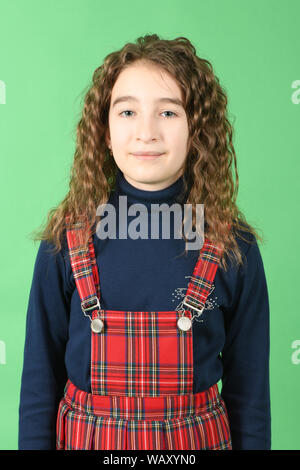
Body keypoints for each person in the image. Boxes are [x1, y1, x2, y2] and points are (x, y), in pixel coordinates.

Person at [18, 34, 271, 450]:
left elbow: (250, 399)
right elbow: (38, 386)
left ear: (198, 130)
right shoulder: (65, 242)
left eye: (168, 112)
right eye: (128, 111)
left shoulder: (233, 247)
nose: (146, 132)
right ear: (104, 130)